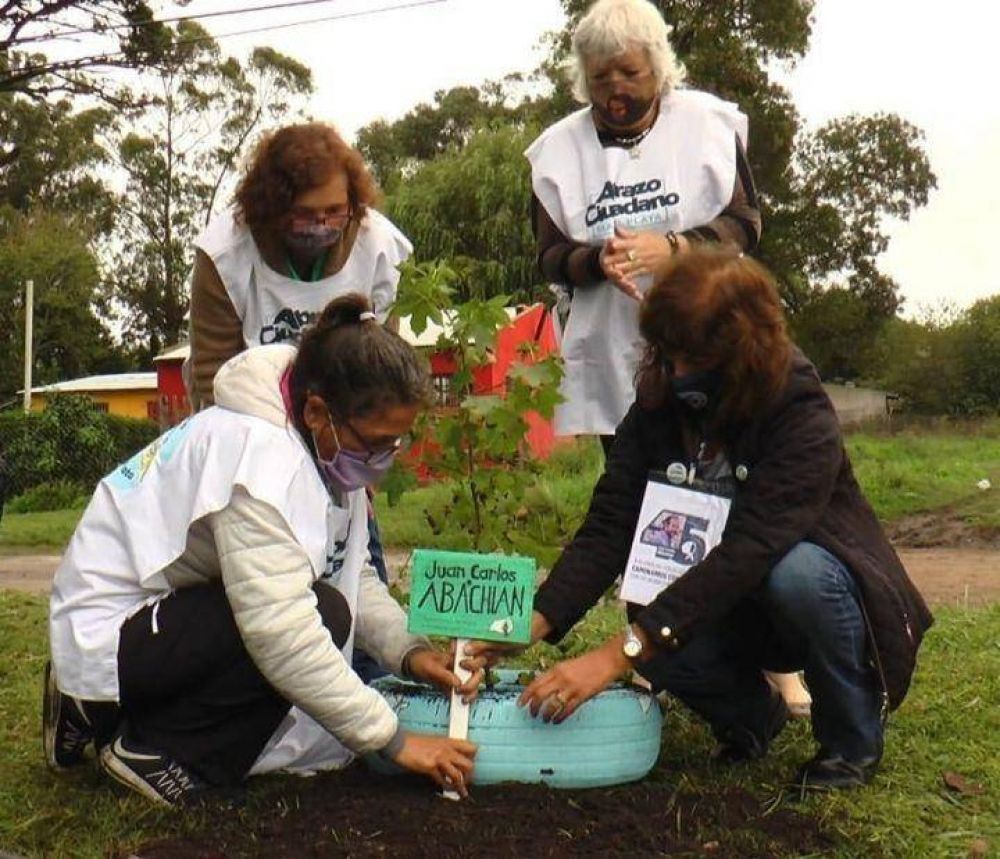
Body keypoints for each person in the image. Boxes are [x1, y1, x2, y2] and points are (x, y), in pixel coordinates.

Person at [469, 249, 933, 791]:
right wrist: (536, 620)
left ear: (743, 353)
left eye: (694, 360)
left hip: (799, 596)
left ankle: (850, 742)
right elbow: (612, 521)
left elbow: (749, 550)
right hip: (727, 599)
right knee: (651, 601)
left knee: (797, 574)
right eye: (670, 355)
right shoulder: (660, 395)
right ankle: (753, 719)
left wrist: (622, 653)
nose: (679, 373)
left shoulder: (799, 410)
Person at [45, 295, 479, 807]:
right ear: (318, 411)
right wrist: (397, 742)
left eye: (395, 444)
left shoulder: (325, 443)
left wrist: (411, 653)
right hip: (110, 624)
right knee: (309, 617)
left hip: (169, 614)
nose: (383, 461)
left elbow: (349, 568)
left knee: (325, 607)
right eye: (377, 443)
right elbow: (280, 631)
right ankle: (153, 747)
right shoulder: (261, 461)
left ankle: (123, 712)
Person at [187, 121, 413, 681]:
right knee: (268, 582)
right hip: (258, 430)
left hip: (339, 435)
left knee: (356, 564)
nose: (322, 226)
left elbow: (382, 359)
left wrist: (362, 452)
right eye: (305, 215)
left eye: (334, 212)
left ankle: (368, 682)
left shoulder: (376, 244)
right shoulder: (226, 256)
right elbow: (212, 374)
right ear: (271, 209)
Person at [527, 0, 761, 456]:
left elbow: (745, 223)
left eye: (630, 73)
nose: (616, 91)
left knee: (718, 475)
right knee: (632, 486)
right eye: (600, 78)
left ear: (657, 67)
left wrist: (676, 247)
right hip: (613, 355)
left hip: (709, 334)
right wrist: (598, 260)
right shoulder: (557, 152)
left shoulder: (707, 126)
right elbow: (550, 257)